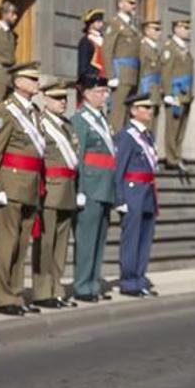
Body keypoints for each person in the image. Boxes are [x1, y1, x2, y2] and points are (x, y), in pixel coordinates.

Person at [0, 61, 45, 316]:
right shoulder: (5, 112)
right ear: (18, 82)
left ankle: (16, 294)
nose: (37, 84)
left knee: (21, 244)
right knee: (6, 243)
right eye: (32, 80)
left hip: (30, 185)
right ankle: (4, 297)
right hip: (10, 184)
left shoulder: (34, 112)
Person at [31, 80, 81, 309]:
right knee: (46, 243)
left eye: (65, 98)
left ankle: (57, 288)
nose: (63, 102)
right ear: (45, 100)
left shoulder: (68, 126)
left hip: (68, 189)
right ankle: (42, 291)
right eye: (57, 98)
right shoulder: (40, 124)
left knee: (61, 244)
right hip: (49, 189)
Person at [71, 75, 116, 302]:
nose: (104, 96)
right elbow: (78, 156)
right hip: (89, 186)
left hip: (105, 185)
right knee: (87, 239)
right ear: (87, 94)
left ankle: (93, 283)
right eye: (100, 92)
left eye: (105, 92)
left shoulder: (102, 120)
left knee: (99, 239)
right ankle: (82, 285)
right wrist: (79, 189)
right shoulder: (81, 120)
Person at [114, 92, 159, 298]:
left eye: (150, 108)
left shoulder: (148, 136)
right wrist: (120, 198)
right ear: (133, 111)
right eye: (145, 107)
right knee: (132, 238)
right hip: (132, 191)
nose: (150, 111)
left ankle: (140, 278)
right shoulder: (126, 136)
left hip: (147, 191)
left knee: (145, 237)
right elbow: (119, 168)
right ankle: (129, 281)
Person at [103, 0, 140, 132]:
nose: (133, 5)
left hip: (131, 75)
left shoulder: (132, 26)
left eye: (134, 3)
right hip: (121, 73)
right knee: (117, 113)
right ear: (120, 4)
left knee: (127, 113)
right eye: (130, 2)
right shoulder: (114, 23)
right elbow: (107, 50)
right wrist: (111, 76)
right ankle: (115, 144)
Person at [161, 19, 194, 171]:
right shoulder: (170, 47)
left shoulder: (184, 48)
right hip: (175, 92)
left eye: (188, 27)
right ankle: (171, 157)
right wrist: (167, 92)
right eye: (184, 27)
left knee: (181, 128)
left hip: (185, 94)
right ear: (176, 29)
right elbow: (166, 71)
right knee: (173, 127)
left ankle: (177, 155)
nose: (188, 30)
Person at [139, 20, 163, 136]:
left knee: (153, 125)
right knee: (144, 124)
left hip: (155, 91)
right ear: (147, 30)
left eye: (160, 29)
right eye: (156, 29)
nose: (159, 32)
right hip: (146, 89)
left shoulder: (156, 49)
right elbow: (140, 70)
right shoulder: (142, 47)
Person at [77, 9, 107, 81]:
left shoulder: (103, 40)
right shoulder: (86, 41)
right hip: (92, 79)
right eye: (98, 22)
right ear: (90, 23)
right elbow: (83, 66)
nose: (101, 24)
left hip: (104, 78)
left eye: (101, 22)